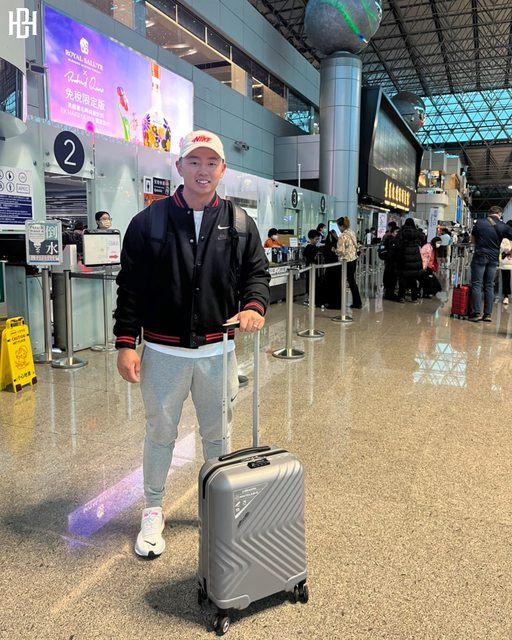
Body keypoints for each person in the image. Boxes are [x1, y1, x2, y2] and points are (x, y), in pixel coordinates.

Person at [113, 130, 270, 557]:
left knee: (218, 436)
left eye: (211, 162)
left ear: (223, 169)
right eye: (194, 161)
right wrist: (126, 342)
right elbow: (130, 287)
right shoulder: (149, 222)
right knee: (160, 433)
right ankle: (152, 508)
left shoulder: (240, 223)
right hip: (163, 353)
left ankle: (217, 505)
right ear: (179, 166)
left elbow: (256, 274)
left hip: (218, 351)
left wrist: (254, 305)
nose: (203, 170)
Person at [469, 207, 512, 321]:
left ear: (489, 213)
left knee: (477, 284)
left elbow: (472, 240)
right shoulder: (504, 226)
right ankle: (487, 314)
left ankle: (477, 313)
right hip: (493, 258)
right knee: (489, 285)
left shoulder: (479, 222)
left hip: (480, 255)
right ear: (499, 214)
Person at [336, 216, 362, 309]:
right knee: (351, 281)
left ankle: (339, 302)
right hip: (353, 259)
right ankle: (357, 302)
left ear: (341, 226)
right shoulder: (351, 232)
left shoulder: (342, 236)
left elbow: (341, 251)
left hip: (345, 261)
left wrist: (334, 250)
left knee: (341, 280)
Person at [396, 218, 423, 303]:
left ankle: (402, 297)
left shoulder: (401, 232)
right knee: (413, 279)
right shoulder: (416, 232)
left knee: (402, 279)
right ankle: (414, 298)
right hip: (414, 258)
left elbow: (397, 242)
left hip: (403, 258)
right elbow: (423, 239)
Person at [380, 221, 400, 300]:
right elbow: (391, 252)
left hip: (388, 261)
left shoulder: (387, 237)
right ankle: (389, 292)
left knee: (388, 275)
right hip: (391, 262)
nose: (397, 233)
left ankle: (388, 290)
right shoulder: (391, 239)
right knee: (391, 277)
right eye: (396, 232)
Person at [499, 221, 512, 305]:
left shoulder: (504, 237)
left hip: (506, 259)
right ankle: (506, 296)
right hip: (507, 260)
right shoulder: (505, 237)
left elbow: (502, 248)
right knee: (506, 277)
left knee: (506, 278)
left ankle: (506, 296)